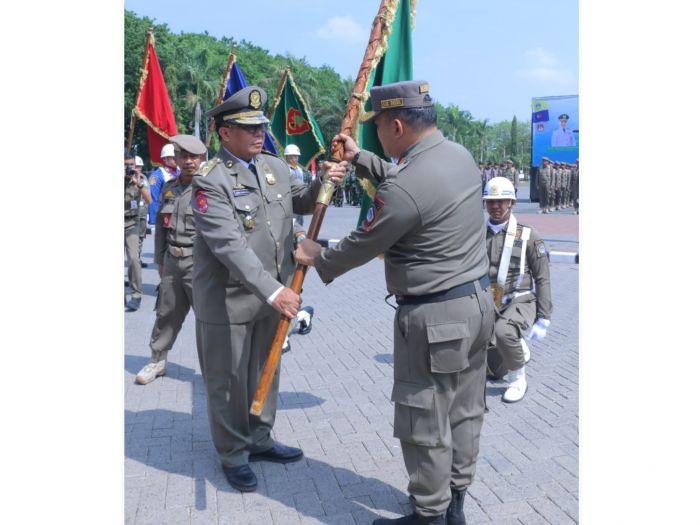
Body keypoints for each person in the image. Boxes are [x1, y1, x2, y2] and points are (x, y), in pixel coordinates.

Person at [295, 80, 495, 525]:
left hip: (435, 317)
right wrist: (360, 158)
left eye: (378, 128)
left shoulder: (406, 186)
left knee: (423, 416)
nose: (376, 136)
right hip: (477, 304)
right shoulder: (457, 156)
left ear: (398, 124)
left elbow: (367, 240)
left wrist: (318, 256)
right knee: (464, 408)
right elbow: (410, 184)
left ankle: (428, 513)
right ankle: (455, 501)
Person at [190, 86, 346, 493]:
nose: (259, 133)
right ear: (224, 134)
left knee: (266, 370)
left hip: (271, 296)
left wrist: (323, 181)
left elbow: (302, 201)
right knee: (227, 382)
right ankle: (233, 454)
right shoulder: (210, 182)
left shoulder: (273, 166)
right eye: (248, 128)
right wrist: (275, 292)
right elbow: (230, 248)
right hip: (228, 301)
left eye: (260, 126)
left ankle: (259, 439)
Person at [135, 135, 206, 384]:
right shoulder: (168, 188)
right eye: (183, 157)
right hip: (172, 262)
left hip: (201, 264)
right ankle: (157, 361)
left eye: (193, 157)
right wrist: (159, 260)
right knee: (166, 313)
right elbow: (162, 230)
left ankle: (214, 369)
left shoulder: (211, 189)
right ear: (175, 159)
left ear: (201, 159)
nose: (188, 162)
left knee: (209, 318)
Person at [483, 177, 552, 403]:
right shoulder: (476, 235)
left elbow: (542, 278)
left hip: (519, 300)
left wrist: (544, 317)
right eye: (491, 201)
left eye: (502, 201)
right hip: (488, 301)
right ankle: (517, 351)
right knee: (492, 371)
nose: (496, 206)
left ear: (512, 203)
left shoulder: (528, 235)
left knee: (504, 331)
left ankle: (518, 379)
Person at [124, 152, 152, 311]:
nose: (128, 168)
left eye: (131, 165)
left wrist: (138, 184)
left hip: (132, 222)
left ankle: (136, 294)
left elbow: (149, 200)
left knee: (134, 258)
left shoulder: (141, 180)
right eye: (125, 165)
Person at [148, 143, 179, 225]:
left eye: (177, 156)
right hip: (165, 215)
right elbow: (153, 199)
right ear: (165, 159)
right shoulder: (156, 176)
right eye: (173, 157)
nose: (176, 159)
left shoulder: (180, 172)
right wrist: (154, 221)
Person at [283, 144, 312, 225]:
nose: (294, 159)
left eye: (296, 156)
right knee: (290, 222)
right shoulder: (284, 168)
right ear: (287, 157)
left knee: (299, 220)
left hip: (299, 198)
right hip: (289, 198)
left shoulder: (299, 169)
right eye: (292, 157)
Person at [134, 155, 149, 268]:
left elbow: (148, 195)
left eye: (140, 167)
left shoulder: (144, 178)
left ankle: (137, 259)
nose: (138, 169)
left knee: (140, 237)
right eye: (136, 166)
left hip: (142, 212)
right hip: (130, 213)